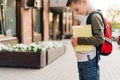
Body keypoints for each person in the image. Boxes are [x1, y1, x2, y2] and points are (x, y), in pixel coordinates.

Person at [66, 0, 104, 80]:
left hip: (89, 60)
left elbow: (100, 38)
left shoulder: (94, 16)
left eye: (76, 9)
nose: (76, 13)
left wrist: (78, 40)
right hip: (82, 60)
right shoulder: (86, 17)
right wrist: (75, 40)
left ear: (84, 1)